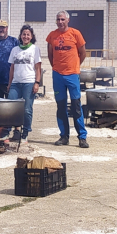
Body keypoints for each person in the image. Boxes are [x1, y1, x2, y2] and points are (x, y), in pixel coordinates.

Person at [45, 10, 88, 148]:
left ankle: (82, 137)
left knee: (76, 106)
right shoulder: (52, 36)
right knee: (61, 106)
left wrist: (74, 66)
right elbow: (50, 55)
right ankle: (64, 136)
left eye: (62, 19)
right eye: (58, 19)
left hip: (72, 75)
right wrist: (57, 68)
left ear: (68, 20)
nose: (60, 22)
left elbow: (83, 53)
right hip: (58, 75)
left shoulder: (76, 34)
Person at [6, 24, 42, 142]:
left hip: (29, 82)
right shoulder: (14, 50)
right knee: (12, 107)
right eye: (24, 34)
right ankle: (15, 131)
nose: (25, 36)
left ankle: (25, 132)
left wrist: (37, 83)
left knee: (27, 109)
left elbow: (38, 68)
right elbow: (12, 68)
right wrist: (9, 83)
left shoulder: (35, 49)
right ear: (20, 36)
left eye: (28, 34)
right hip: (16, 83)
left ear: (31, 37)